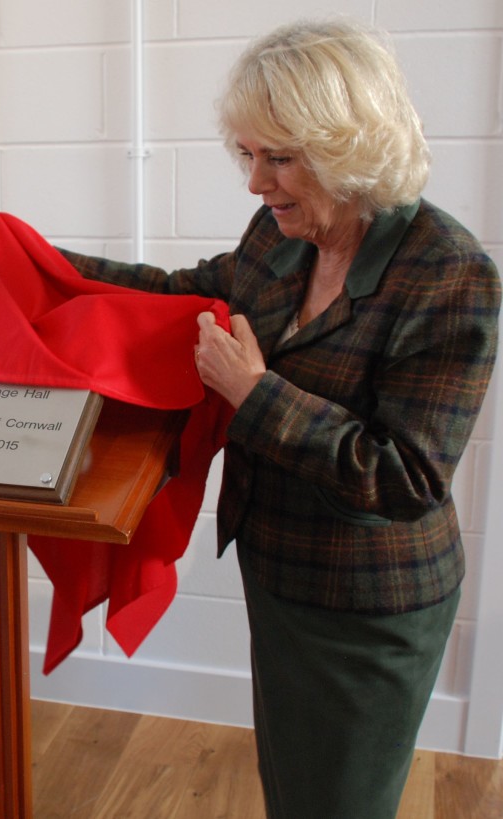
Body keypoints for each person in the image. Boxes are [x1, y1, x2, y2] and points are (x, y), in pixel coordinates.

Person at [56, 19, 500, 819]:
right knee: (295, 790)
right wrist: (46, 266)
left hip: (369, 607)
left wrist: (254, 393)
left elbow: (407, 475)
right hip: (282, 573)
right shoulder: (284, 229)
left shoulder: (451, 273)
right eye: (248, 155)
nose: (256, 183)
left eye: (280, 158)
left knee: (341, 802)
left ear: (348, 148)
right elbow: (187, 290)